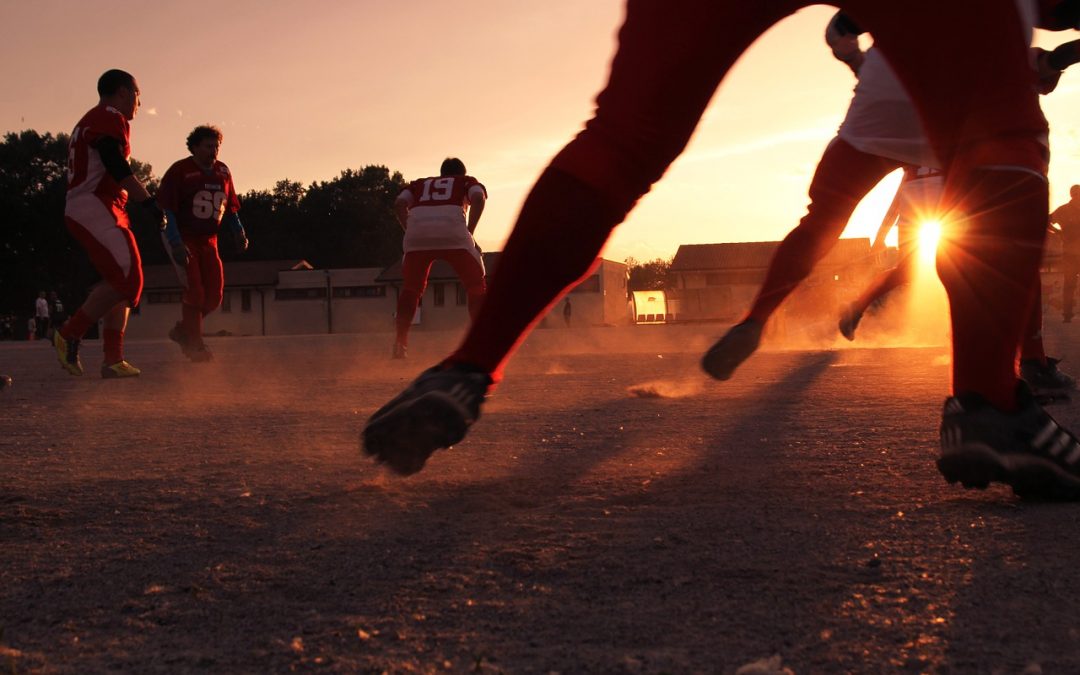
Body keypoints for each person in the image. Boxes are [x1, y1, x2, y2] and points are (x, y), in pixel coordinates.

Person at [363, 1, 1080, 500]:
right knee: (1005, 141)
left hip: (869, 108)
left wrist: (857, 52)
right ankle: (991, 398)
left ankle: (467, 367)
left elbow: (839, 31)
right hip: (926, 108)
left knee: (622, 140)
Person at [52, 69, 162, 378]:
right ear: (124, 92)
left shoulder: (95, 119)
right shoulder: (109, 116)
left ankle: (113, 358)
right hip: (93, 203)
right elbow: (114, 163)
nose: (139, 103)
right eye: (137, 95)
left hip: (103, 205)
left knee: (124, 282)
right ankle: (69, 333)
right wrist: (148, 201)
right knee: (127, 276)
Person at [157, 125, 247, 362]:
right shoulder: (180, 171)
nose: (214, 151)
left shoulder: (223, 171)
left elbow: (230, 207)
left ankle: (183, 330)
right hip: (184, 237)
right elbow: (167, 210)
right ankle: (195, 345)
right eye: (208, 146)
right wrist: (175, 242)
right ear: (194, 147)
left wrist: (239, 232)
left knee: (215, 296)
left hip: (209, 240)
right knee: (195, 292)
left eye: (216, 146)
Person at [390, 157, 486, 359]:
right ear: (461, 173)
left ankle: (400, 342)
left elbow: (399, 204)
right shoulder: (465, 181)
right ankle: (481, 340)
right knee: (476, 285)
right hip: (454, 234)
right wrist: (470, 233)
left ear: (441, 174)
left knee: (411, 288)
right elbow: (478, 198)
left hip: (416, 236)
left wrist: (411, 230)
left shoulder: (418, 184)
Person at [1049, 185, 1080, 322]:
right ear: (1073, 195)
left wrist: (1058, 232)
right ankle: (1067, 314)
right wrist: (1058, 232)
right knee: (1069, 284)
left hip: (1070, 253)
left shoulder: (1063, 210)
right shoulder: (1064, 210)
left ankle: (1067, 315)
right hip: (1070, 254)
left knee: (1069, 284)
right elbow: (1047, 221)